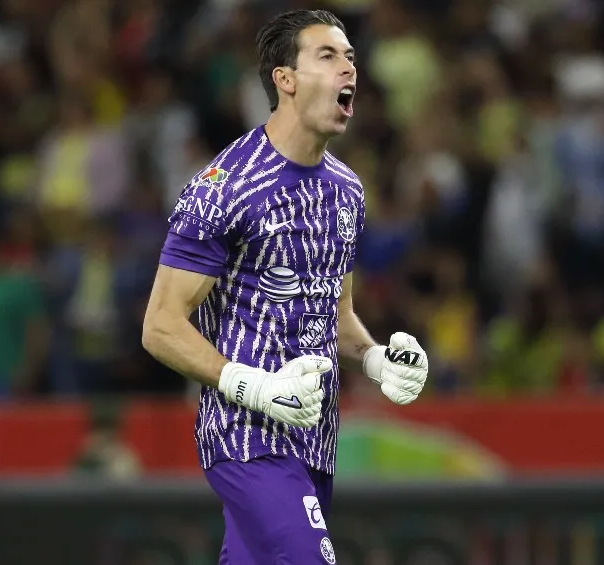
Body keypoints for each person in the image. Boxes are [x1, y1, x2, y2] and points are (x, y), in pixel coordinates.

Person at [141, 10, 429, 565]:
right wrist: (253, 386)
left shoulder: (346, 192)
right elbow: (159, 325)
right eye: (328, 56)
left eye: (350, 57)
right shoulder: (223, 189)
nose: (349, 68)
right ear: (285, 79)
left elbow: (334, 311)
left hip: (314, 440)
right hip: (247, 437)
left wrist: (373, 360)